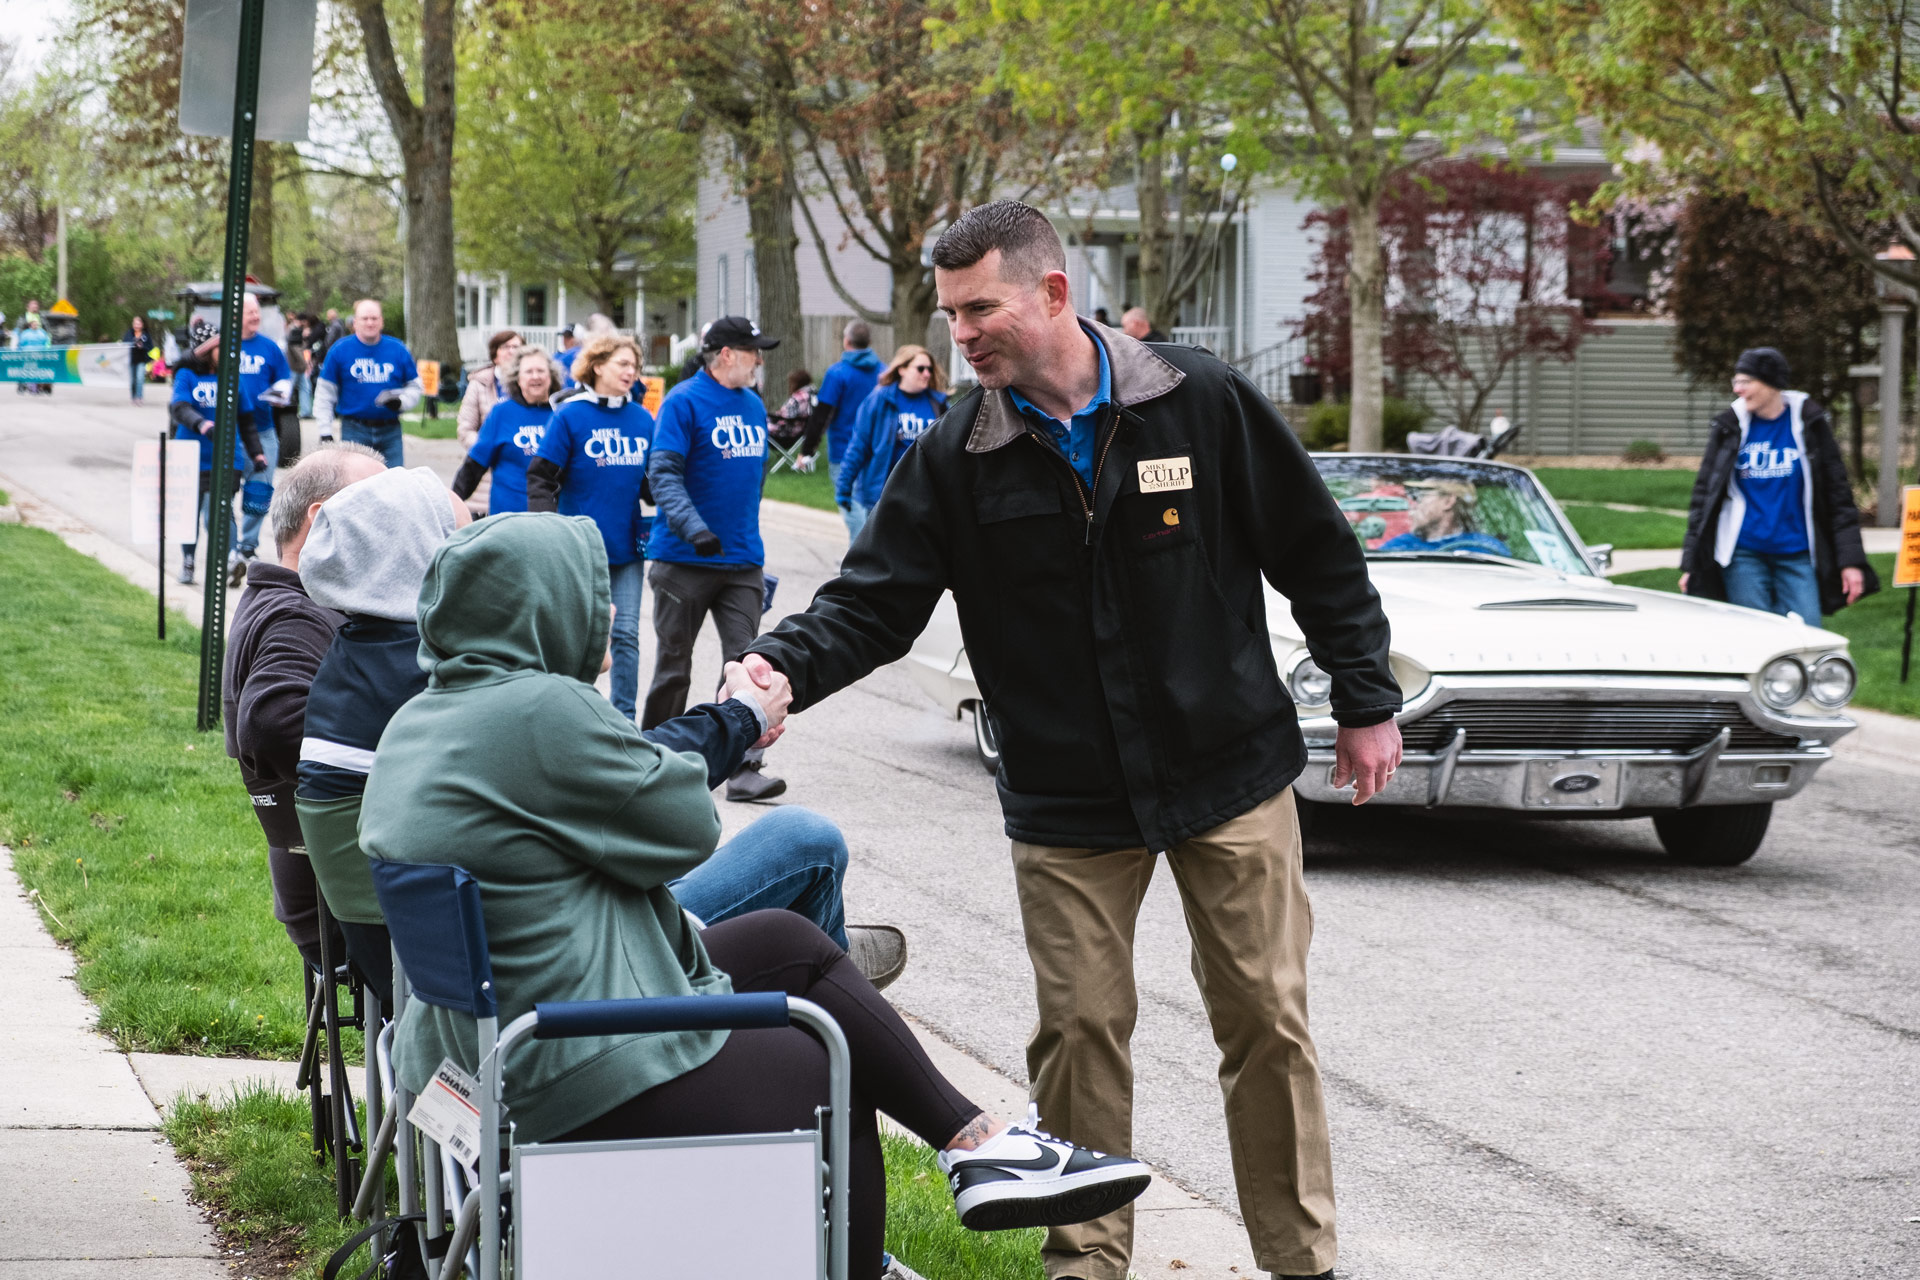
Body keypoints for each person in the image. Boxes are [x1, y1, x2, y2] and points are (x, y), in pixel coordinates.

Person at [743, 200, 1405, 1280]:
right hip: (1067, 799)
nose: (961, 333)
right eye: (950, 314)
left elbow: (1317, 550)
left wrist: (1367, 699)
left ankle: (1301, 1261)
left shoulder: (1202, 402)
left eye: (979, 308)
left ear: (1053, 292)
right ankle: (1086, 1265)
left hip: (1228, 772)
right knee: (1081, 1034)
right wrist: (783, 663)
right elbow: (872, 602)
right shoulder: (960, 449)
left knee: (1267, 1024)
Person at [357, 513, 1152, 1280]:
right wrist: (734, 722)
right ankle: (861, 1266)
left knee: (784, 943)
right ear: (536, 606)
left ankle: (978, 1146)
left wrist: (711, 733)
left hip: (477, 1054)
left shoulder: (423, 720)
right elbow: (678, 829)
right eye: (588, 589)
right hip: (571, 1062)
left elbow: (618, 804)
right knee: (825, 1060)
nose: (606, 608)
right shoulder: (538, 710)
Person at [224, 443, 389, 969]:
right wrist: (404, 746)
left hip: (337, 895)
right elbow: (271, 723)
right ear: (321, 519)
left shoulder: (294, 605)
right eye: (379, 508)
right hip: (346, 909)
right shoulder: (296, 616)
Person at [642, 315, 786, 803]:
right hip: (683, 558)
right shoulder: (683, 402)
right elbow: (663, 473)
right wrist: (694, 528)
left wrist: (744, 538)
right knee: (673, 667)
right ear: (726, 354)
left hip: (742, 561)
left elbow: (754, 481)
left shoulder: (752, 404)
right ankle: (651, 763)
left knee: (747, 665)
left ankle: (743, 767)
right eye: (753, 352)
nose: (759, 361)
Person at [1679, 347, 1876, 626]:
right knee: (1755, 637)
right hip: (1743, 554)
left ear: (1771, 383)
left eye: (1746, 382)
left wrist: (1851, 561)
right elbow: (1703, 498)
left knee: (1809, 634)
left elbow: (1839, 498)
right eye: (1736, 382)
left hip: (1796, 553)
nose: (1738, 389)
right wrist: (1691, 565)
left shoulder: (1809, 424)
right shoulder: (1729, 427)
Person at [527, 334, 654, 720]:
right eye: (622, 364)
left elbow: (653, 483)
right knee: (580, 640)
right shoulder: (570, 415)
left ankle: (624, 723)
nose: (630, 372)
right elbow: (540, 478)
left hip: (627, 548)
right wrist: (547, 530)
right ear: (598, 366)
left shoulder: (643, 418)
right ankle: (574, 719)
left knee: (627, 635)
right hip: (578, 549)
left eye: (634, 366)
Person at [170, 319, 266, 584]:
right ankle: (188, 561)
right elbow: (178, 407)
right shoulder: (186, 375)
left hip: (227, 456)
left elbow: (245, 419)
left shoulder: (232, 377)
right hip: (191, 456)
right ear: (206, 350)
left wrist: (257, 453)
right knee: (189, 513)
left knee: (219, 512)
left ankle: (231, 560)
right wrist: (201, 424)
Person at [834, 344, 948, 541]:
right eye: (920, 368)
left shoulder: (938, 404)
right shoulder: (879, 400)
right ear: (902, 369)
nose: (927, 374)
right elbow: (859, 446)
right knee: (883, 554)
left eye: (929, 369)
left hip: (926, 496)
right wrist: (844, 487)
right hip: (885, 494)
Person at [452, 345, 562, 517]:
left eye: (541, 371)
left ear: (551, 376)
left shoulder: (562, 413)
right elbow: (473, 467)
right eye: (528, 371)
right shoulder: (501, 413)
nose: (535, 376)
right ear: (517, 378)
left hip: (554, 515)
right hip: (508, 515)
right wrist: (452, 505)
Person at [313, 298, 422, 466]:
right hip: (354, 430)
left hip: (390, 431)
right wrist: (325, 431)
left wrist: (401, 402)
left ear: (381, 322)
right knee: (356, 485)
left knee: (394, 484)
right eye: (365, 319)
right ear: (355, 322)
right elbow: (325, 394)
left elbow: (415, 386)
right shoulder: (340, 350)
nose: (370, 323)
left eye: (374, 318)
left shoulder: (397, 349)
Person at [234, 293, 297, 576]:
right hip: (230, 434)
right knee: (225, 492)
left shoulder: (270, 348)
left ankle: (248, 544)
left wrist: (282, 392)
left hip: (264, 431)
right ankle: (229, 545)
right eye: (250, 312)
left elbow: (284, 379)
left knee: (260, 491)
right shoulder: (223, 346)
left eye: (257, 312)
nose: (255, 317)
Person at [800, 322, 883, 527]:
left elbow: (822, 415)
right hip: (878, 451)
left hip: (844, 451)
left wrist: (807, 450)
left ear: (846, 342)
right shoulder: (884, 372)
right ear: (869, 343)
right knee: (874, 508)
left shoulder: (837, 373)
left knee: (852, 507)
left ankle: (859, 555)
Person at [1373, 478, 1512, 557]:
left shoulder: (1487, 549)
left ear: (1447, 501)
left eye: (1421, 496)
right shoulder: (1398, 546)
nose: (1414, 504)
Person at [456, 329, 522, 449]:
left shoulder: (534, 384)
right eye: (505, 347)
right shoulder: (478, 383)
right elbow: (466, 429)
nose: (511, 351)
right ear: (495, 355)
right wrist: (487, 449)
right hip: (490, 458)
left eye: (516, 347)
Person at [123, 315, 152, 402]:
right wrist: (133, 343)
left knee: (140, 378)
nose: (137, 325)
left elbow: (150, 347)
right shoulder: (129, 334)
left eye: (138, 323)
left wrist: (142, 347)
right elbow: (124, 345)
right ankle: (133, 396)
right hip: (131, 360)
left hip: (141, 360)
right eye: (135, 323)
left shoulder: (146, 336)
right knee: (133, 380)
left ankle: (139, 397)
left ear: (142, 325)